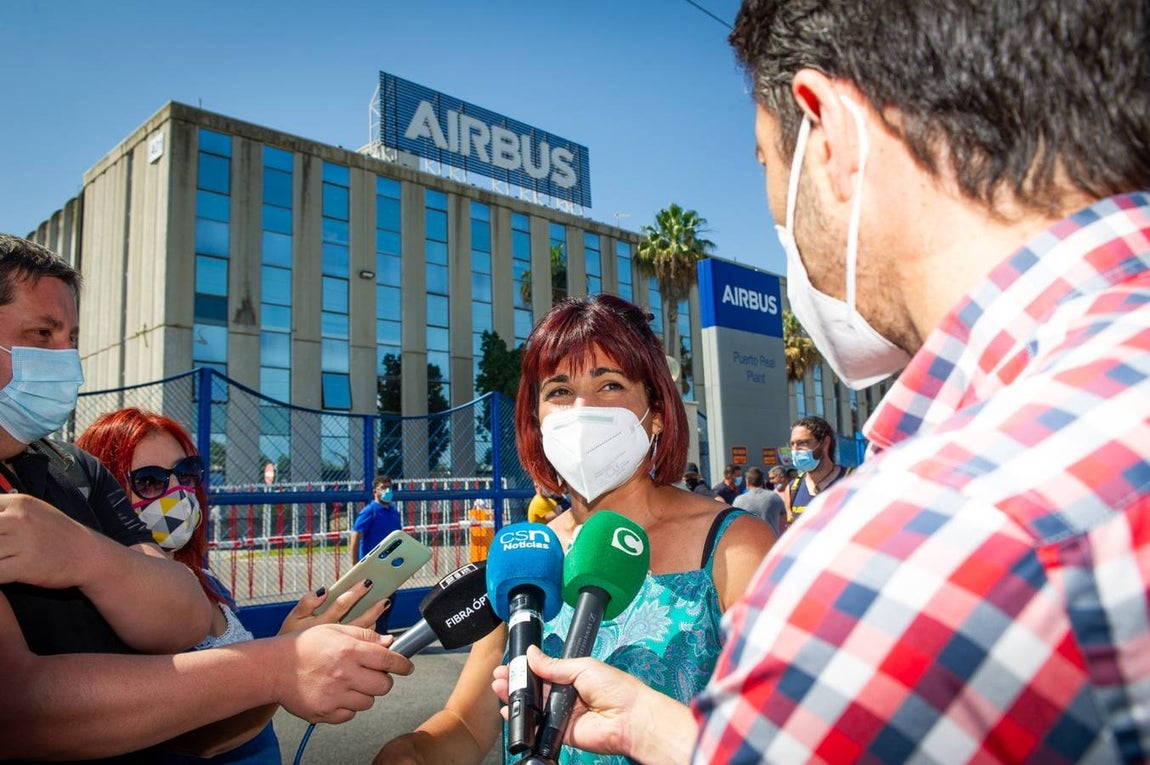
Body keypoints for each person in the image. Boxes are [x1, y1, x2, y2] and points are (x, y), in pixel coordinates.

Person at [494, 0, 1150, 761]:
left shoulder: (908, 548)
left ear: (830, 133)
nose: (776, 209)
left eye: (766, 163)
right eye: (560, 392)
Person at [0, 234, 412, 763]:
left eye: (72, 338)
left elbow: (183, 616)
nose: (67, 361)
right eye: (42, 334)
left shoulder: (73, 469)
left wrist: (83, 554)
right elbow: (18, 710)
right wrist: (277, 665)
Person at [374, 293, 776, 764]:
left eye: (609, 385)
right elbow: (466, 723)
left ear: (658, 414)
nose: (582, 409)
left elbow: (784, 731)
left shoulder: (735, 545)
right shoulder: (523, 554)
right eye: (559, 391)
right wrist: (411, 752)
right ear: (536, 421)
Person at [77, 407, 392, 763]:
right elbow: (197, 737)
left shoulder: (201, 577)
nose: (179, 493)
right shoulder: (109, 605)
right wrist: (285, 664)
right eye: (149, 481)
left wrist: (294, 640)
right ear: (103, 492)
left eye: (187, 474)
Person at [782, 415, 852, 528]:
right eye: (792, 444)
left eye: (802, 443)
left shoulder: (853, 479)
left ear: (825, 443)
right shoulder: (792, 489)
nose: (795, 451)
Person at [350, 474, 401, 566]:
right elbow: (355, 535)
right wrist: (355, 563)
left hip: (392, 562)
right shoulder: (370, 511)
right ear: (375, 492)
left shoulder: (394, 511)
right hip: (372, 563)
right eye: (383, 488)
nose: (387, 490)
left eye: (389, 487)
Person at [731, 466, 785, 535]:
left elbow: (733, 523)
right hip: (772, 540)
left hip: (749, 542)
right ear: (762, 481)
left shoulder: (739, 500)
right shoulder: (774, 497)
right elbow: (784, 517)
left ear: (747, 482)